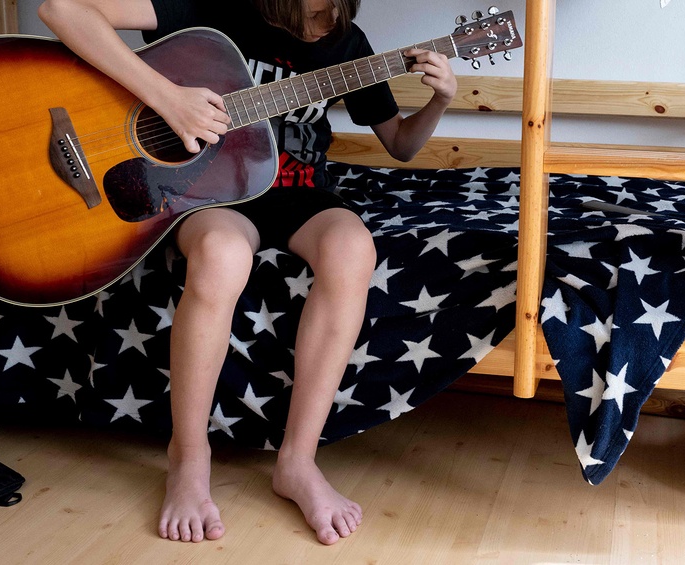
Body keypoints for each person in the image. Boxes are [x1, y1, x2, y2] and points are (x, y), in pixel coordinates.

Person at [38, 0, 456, 545]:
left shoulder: (350, 45)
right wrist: (167, 97)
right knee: (220, 256)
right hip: (209, 192)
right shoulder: (214, 6)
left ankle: (298, 461)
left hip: (296, 193)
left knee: (353, 249)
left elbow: (401, 145)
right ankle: (188, 459)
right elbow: (61, 8)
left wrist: (440, 99)